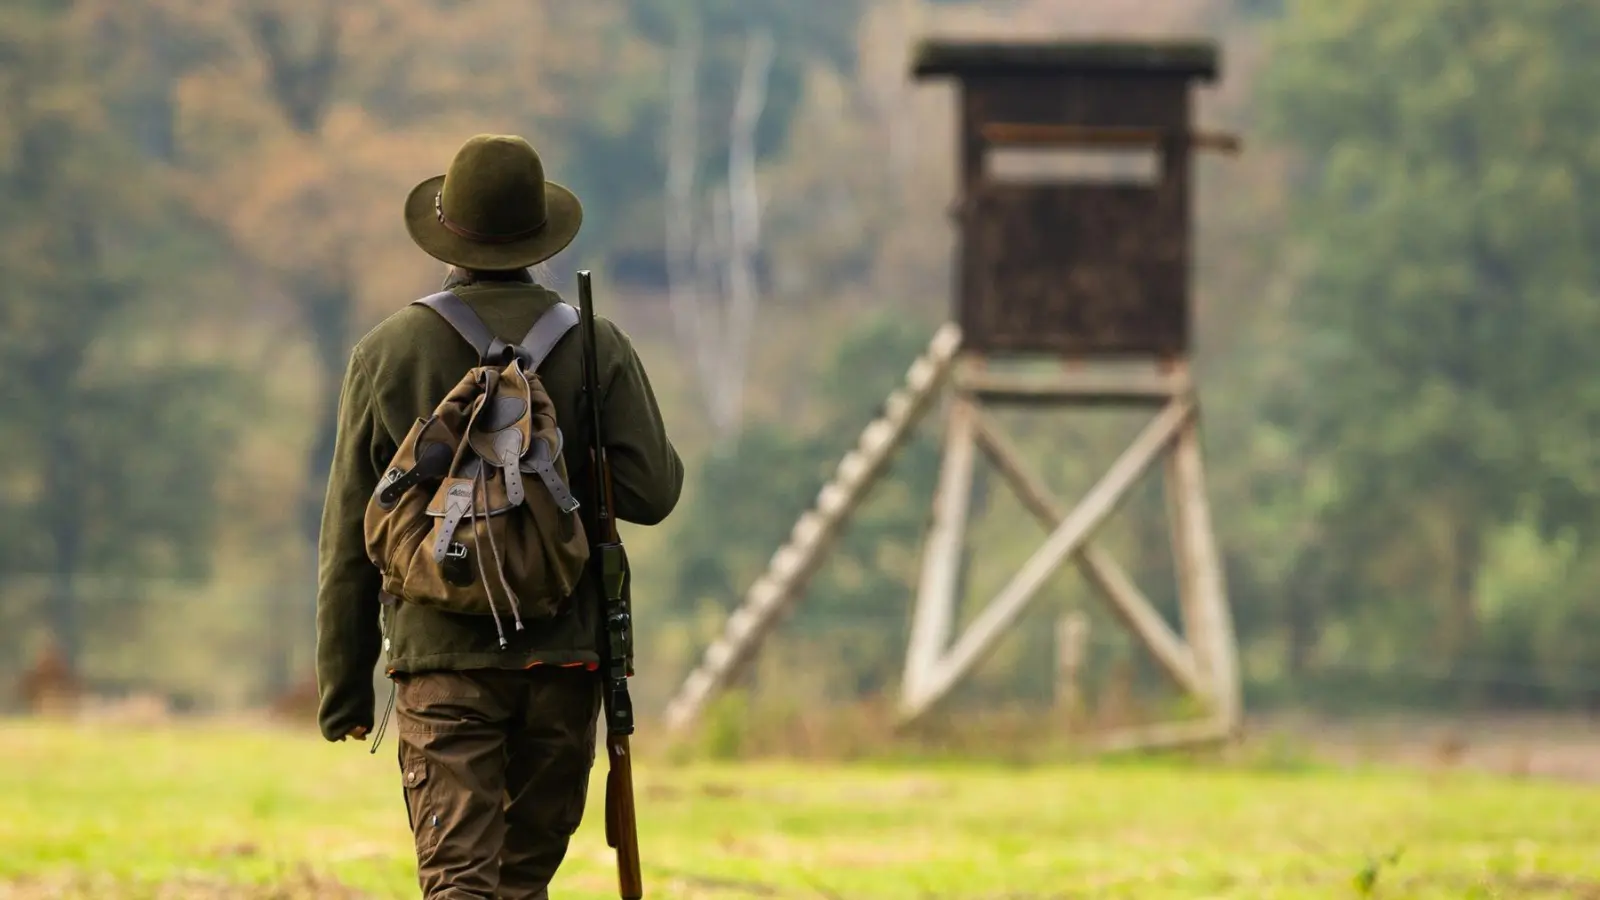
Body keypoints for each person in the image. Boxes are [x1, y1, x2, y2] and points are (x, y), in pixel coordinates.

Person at [314, 133, 684, 899]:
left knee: (460, 884)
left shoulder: (386, 351)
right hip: (563, 661)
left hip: (441, 662)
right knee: (520, 885)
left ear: (446, 234)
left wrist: (345, 689)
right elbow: (655, 492)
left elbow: (352, 533)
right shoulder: (596, 344)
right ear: (541, 236)